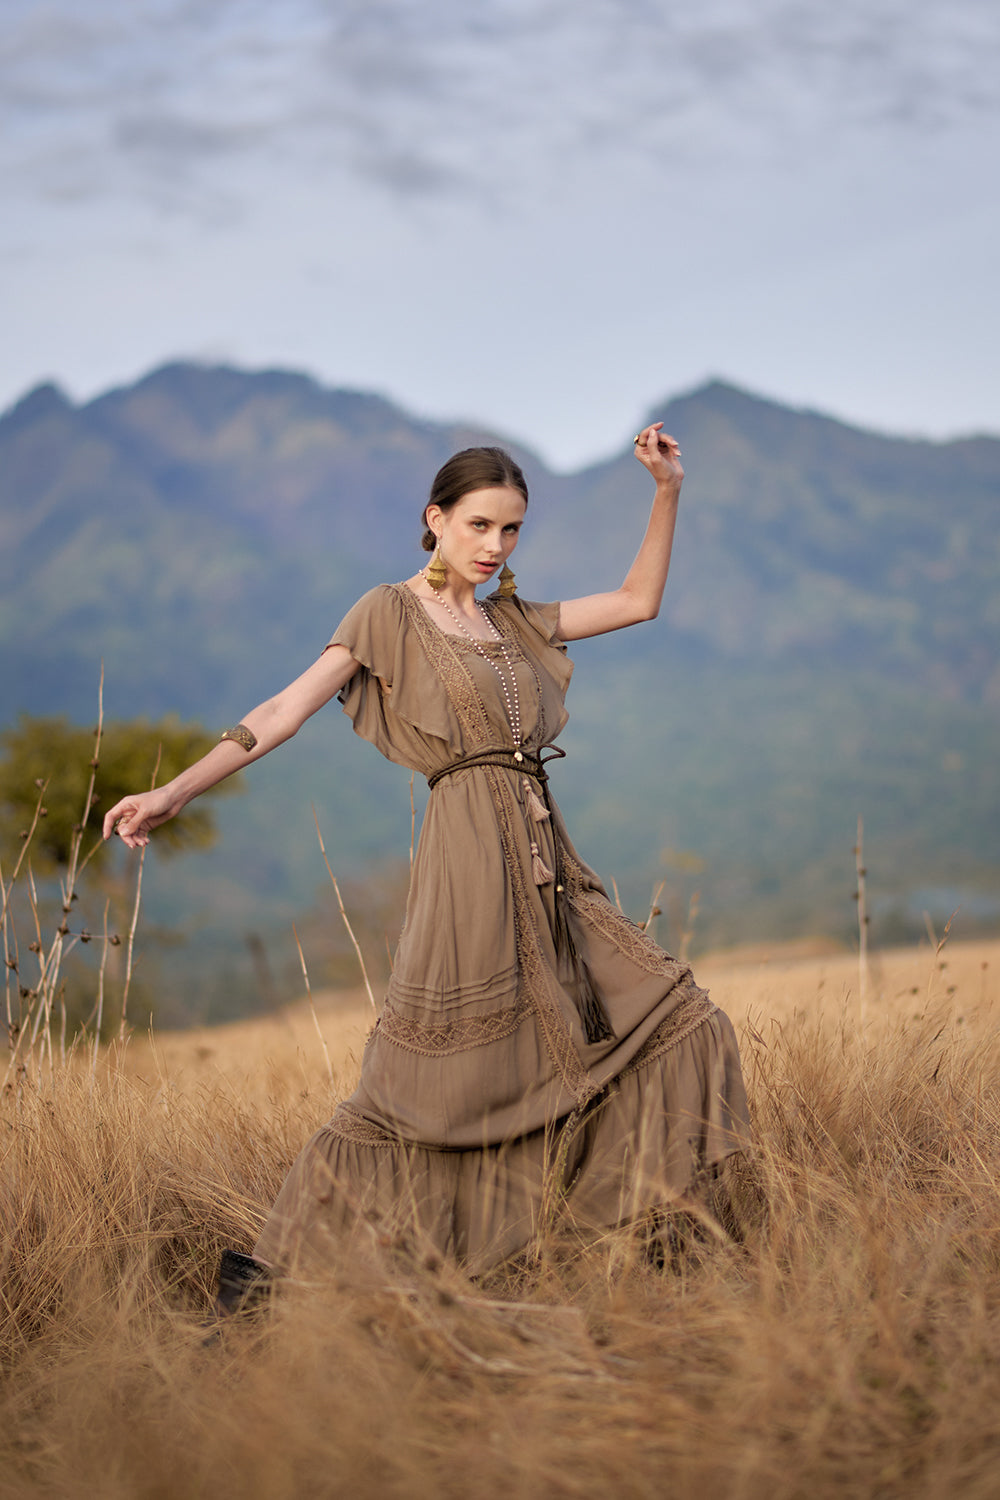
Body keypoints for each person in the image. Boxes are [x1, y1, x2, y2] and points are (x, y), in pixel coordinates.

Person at [104, 425, 749, 1303]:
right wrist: (176, 792)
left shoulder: (513, 620)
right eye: (480, 525)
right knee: (417, 1086)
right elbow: (284, 709)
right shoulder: (386, 613)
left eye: (512, 530)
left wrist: (666, 491)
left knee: (678, 1020)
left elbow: (639, 601)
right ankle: (267, 1287)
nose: (495, 547)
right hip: (466, 858)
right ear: (435, 520)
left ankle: (645, 1236)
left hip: (546, 855)